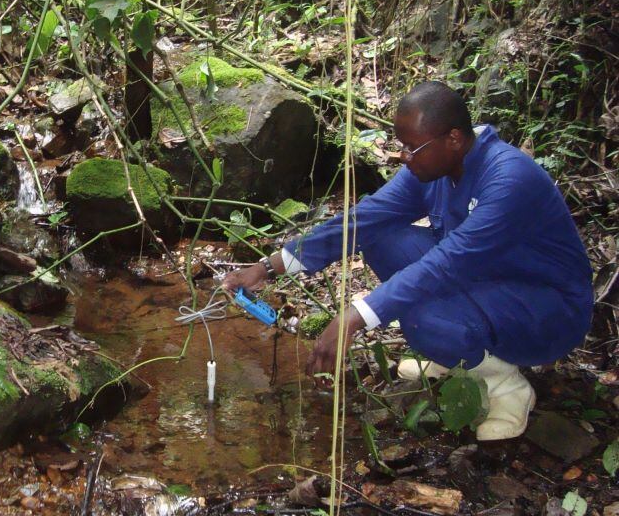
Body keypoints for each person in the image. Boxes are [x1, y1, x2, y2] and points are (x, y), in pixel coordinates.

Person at [223, 81, 593, 441]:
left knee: (421, 316)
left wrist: (353, 318)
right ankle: (458, 352)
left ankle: (504, 385)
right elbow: (366, 219)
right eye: (402, 146)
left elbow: (447, 262)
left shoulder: (508, 179)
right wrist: (269, 266)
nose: (404, 156)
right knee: (379, 236)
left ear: (453, 138)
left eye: (413, 148)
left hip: (547, 310)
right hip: (486, 278)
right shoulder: (435, 168)